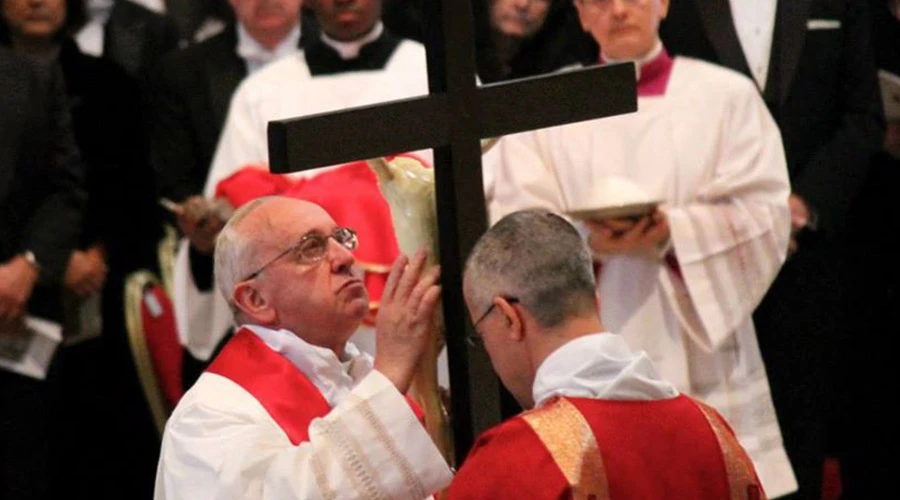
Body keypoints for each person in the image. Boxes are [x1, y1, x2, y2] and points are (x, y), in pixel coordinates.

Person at [488, 0, 796, 496]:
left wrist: (673, 230)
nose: (618, 10)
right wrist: (586, 239)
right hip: (590, 331)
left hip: (697, 334)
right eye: (598, 2)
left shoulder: (724, 96)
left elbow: (765, 210)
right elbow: (518, 218)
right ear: (581, 15)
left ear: (663, 4)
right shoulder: (547, 104)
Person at [658, 2, 884, 498]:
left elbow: (864, 115)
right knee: (710, 425)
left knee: (805, 421)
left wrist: (800, 207)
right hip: (706, 255)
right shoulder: (674, 6)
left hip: (812, 255)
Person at [172, 0, 429, 367]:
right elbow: (236, 235)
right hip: (296, 335)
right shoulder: (261, 92)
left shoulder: (432, 74)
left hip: (420, 314)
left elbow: (482, 197)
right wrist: (205, 235)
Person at [446, 209, 764, 498]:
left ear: (508, 318)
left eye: (481, 335)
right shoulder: (713, 438)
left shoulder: (516, 462)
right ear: (596, 302)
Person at [154, 196, 452, 499]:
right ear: (256, 300)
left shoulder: (354, 371)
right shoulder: (207, 417)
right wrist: (390, 375)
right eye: (311, 248)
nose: (345, 258)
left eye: (340, 238)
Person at [0, 47, 85, 500]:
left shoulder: (33, 74)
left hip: (20, 313)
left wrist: (28, 265)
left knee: (24, 473)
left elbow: (65, 189)